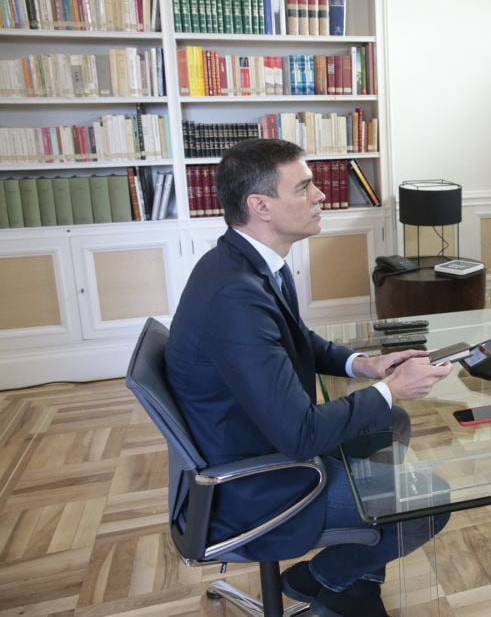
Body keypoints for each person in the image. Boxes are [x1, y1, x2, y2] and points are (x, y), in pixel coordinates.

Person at [166, 139, 452, 617]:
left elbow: (297, 339)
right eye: (305, 187)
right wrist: (391, 387)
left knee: (391, 421)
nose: (321, 195)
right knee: (431, 501)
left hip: (256, 442)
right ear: (260, 206)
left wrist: (364, 366)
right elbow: (300, 436)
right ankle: (321, 578)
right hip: (260, 485)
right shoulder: (235, 296)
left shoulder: (247, 264)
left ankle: (351, 582)